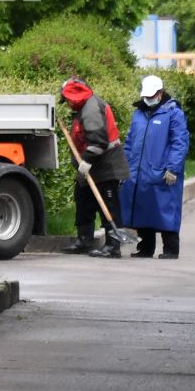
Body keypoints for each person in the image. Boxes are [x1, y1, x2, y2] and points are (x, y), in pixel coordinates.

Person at [121, 75, 191, 259]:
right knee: (143, 208)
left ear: (160, 93)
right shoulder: (139, 113)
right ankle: (145, 248)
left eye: (152, 96)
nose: (149, 99)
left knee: (166, 210)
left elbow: (179, 142)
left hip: (162, 172)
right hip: (139, 171)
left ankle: (170, 249)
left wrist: (173, 168)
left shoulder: (174, 113)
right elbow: (130, 141)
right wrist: (124, 166)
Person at [59, 76, 130, 258]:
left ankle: (113, 246)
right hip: (91, 166)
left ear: (75, 96)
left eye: (67, 100)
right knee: (83, 201)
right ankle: (84, 240)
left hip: (105, 166)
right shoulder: (83, 107)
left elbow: (99, 140)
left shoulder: (91, 108)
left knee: (109, 206)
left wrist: (86, 162)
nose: (67, 104)